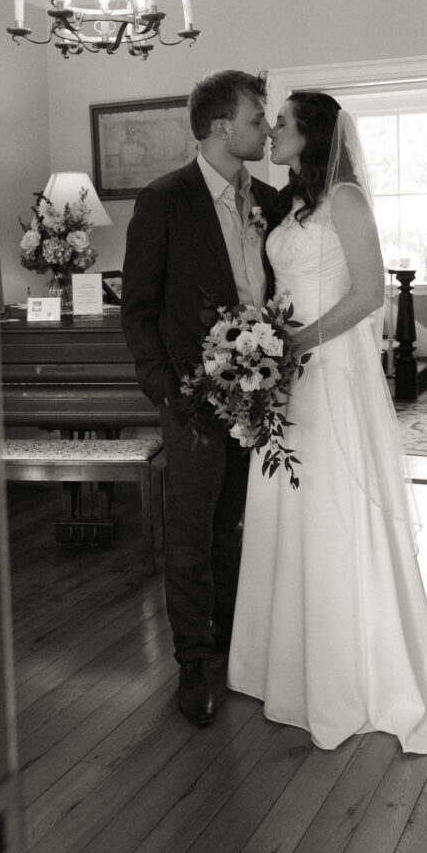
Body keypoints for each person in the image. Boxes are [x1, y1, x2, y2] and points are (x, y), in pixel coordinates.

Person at [227, 92, 427, 752]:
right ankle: (287, 664)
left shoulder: (344, 198)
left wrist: (295, 343)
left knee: (332, 508)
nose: (272, 132)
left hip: (328, 371)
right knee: (290, 506)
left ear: (311, 135)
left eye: (282, 123)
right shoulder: (289, 205)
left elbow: (368, 293)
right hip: (285, 372)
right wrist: (258, 338)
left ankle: (354, 671)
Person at [121, 70, 277, 726]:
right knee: (188, 538)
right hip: (189, 402)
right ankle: (194, 665)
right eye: (256, 119)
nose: (265, 130)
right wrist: (167, 390)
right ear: (221, 127)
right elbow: (139, 308)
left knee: (238, 532)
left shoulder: (270, 198)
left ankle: (236, 651)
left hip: (259, 399)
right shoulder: (164, 200)